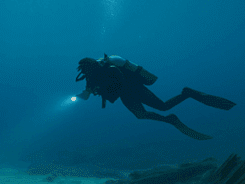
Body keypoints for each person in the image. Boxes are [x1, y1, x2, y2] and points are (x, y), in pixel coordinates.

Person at [75, 54, 236, 140]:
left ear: (92, 66)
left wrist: (105, 92)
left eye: (87, 70)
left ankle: (187, 93)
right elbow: (88, 94)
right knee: (141, 115)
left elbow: (120, 84)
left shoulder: (110, 68)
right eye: (84, 71)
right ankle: (171, 120)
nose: (86, 73)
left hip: (135, 89)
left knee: (163, 106)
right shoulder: (91, 77)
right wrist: (82, 95)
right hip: (126, 95)